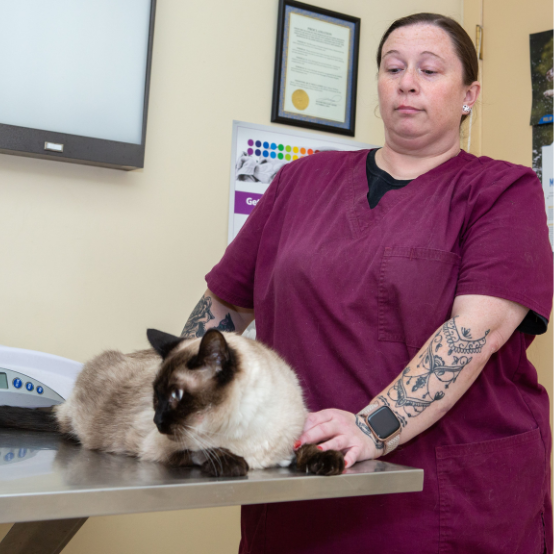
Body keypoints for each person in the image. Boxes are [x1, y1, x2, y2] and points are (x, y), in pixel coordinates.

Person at [182, 13, 553, 554]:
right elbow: (224, 308)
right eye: (393, 67)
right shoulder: (299, 181)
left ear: (469, 93)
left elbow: (475, 333)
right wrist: (174, 397)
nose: (407, 82)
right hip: (302, 480)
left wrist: (371, 427)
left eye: (430, 69)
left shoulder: (502, 191)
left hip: (443, 496)